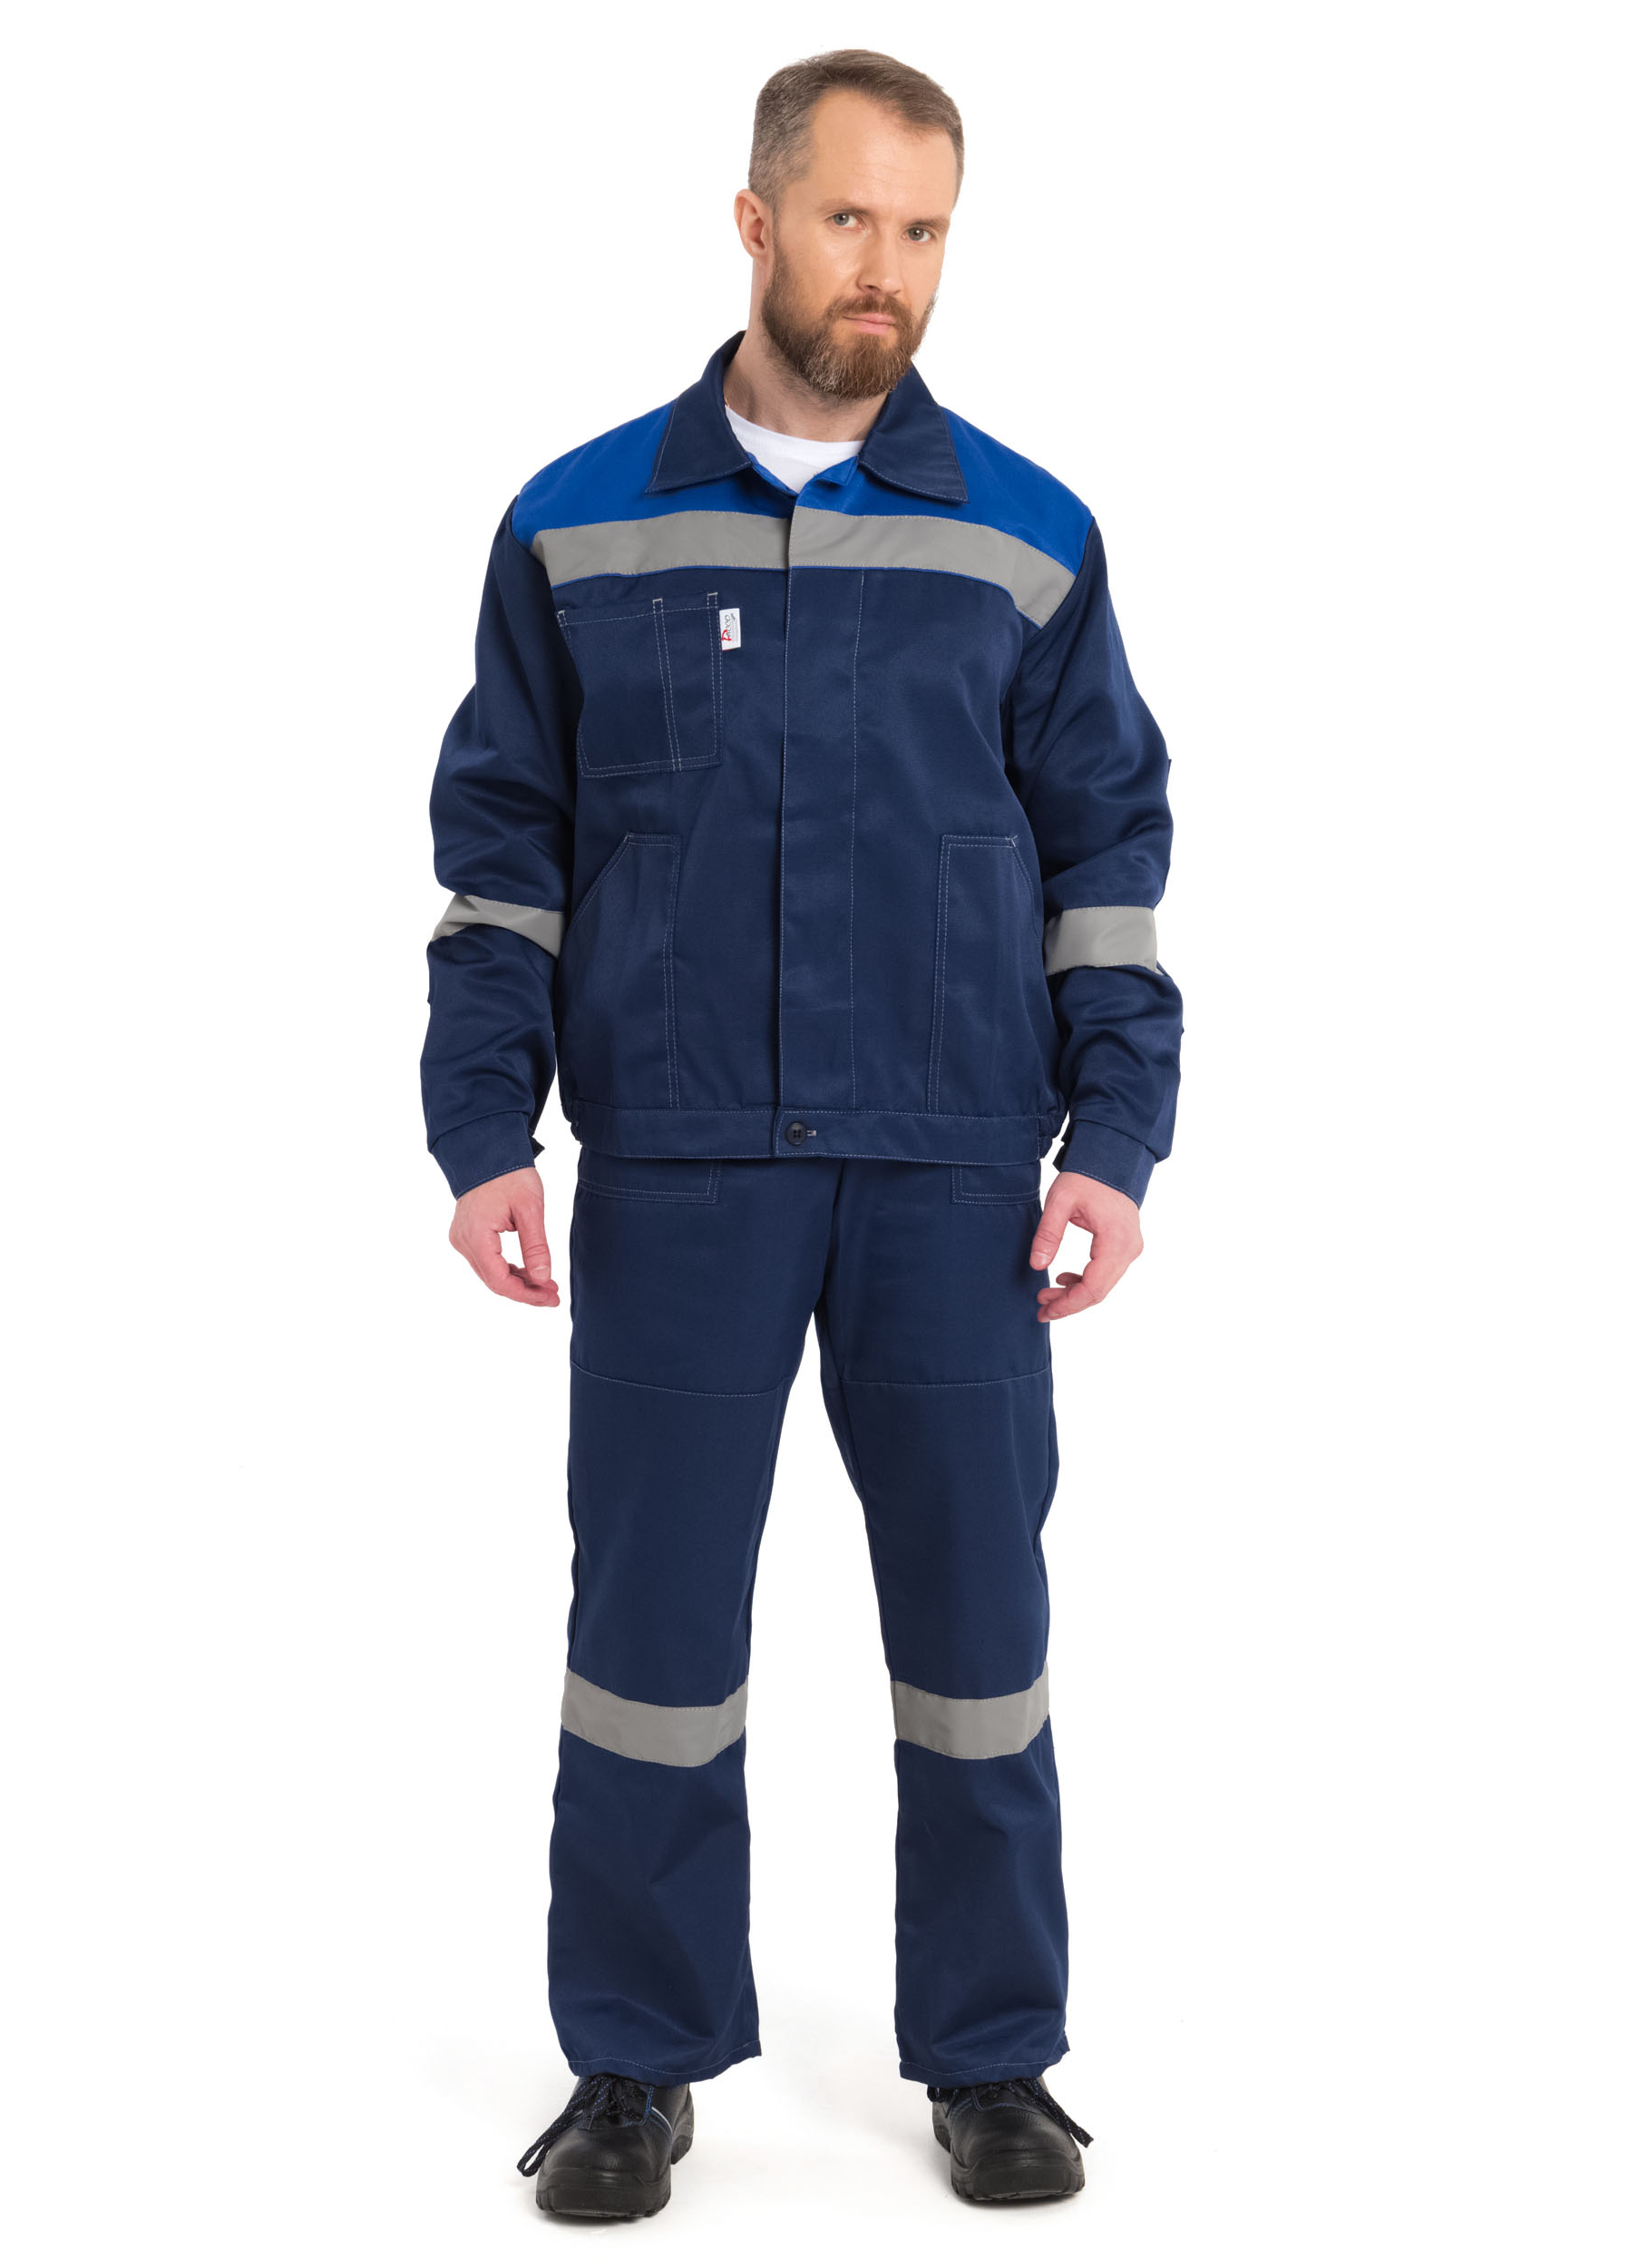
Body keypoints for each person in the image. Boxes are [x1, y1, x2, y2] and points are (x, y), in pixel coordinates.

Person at [421, 47, 1181, 2218]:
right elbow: (504, 848)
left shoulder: (1024, 536)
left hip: (952, 1171)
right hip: (677, 1170)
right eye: (849, 220)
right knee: (649, 1637)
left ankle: (995, 2052)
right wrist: (483, 1128)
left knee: (976, 1633)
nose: (886, 270)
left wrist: (1111, 1137)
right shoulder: (574, 522)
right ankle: (632, 2061)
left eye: (922, 230)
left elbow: (1104, 853)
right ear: (754, 222)